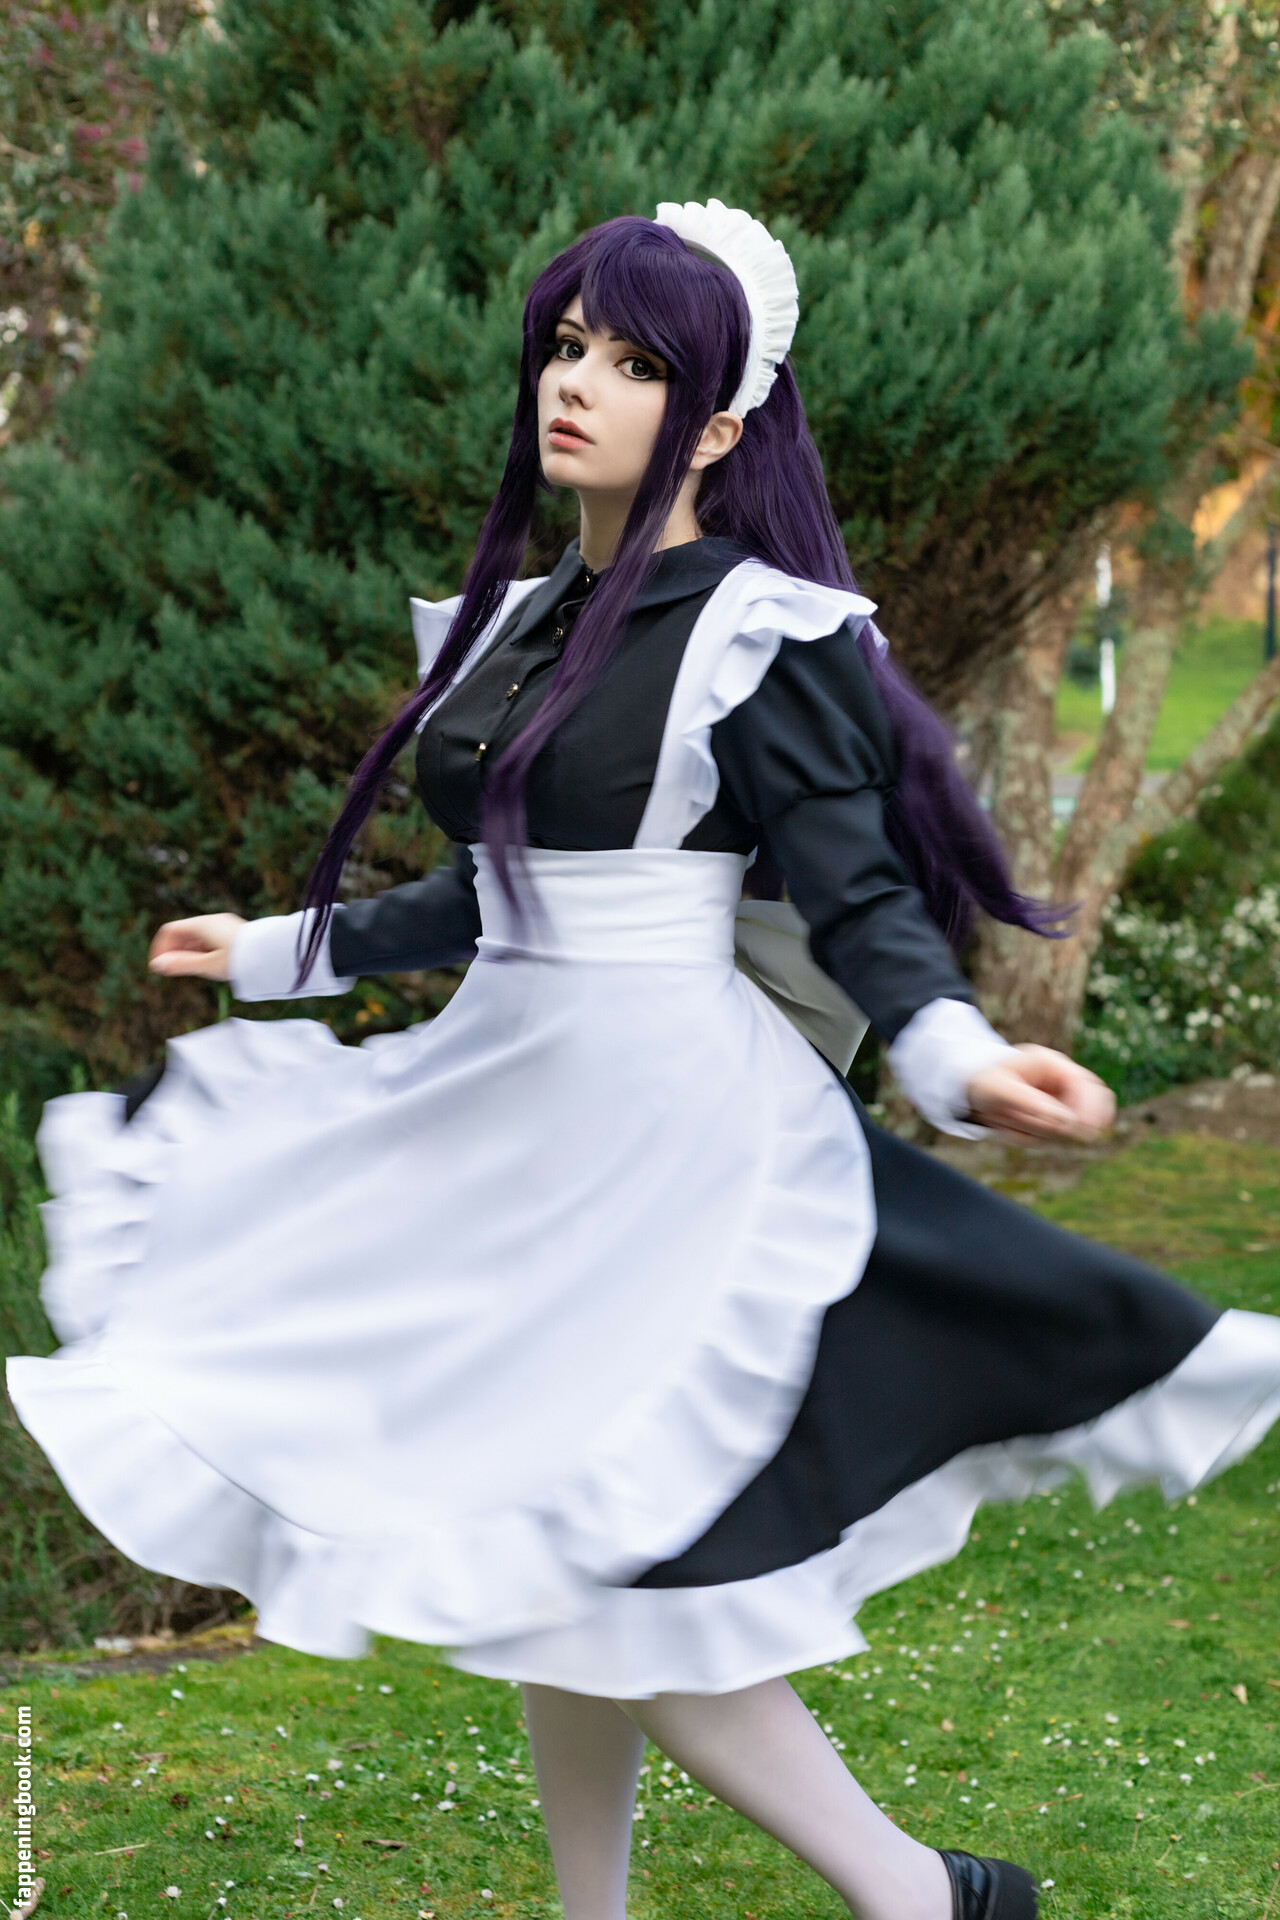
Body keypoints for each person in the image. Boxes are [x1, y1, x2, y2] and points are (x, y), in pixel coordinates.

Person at [8, 202, 1280, 1920]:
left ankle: (920, 1897)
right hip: (516, 1103)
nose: (577, 384)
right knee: (558, 1546)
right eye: (568, 346)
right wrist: (274, 952)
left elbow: (857, 890)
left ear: (725, 425)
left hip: (666, 1138)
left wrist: (957, 1051)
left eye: (634, 363)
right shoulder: (531, 618)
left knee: (619, 1568)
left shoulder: (764, 632)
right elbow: (493, 889)